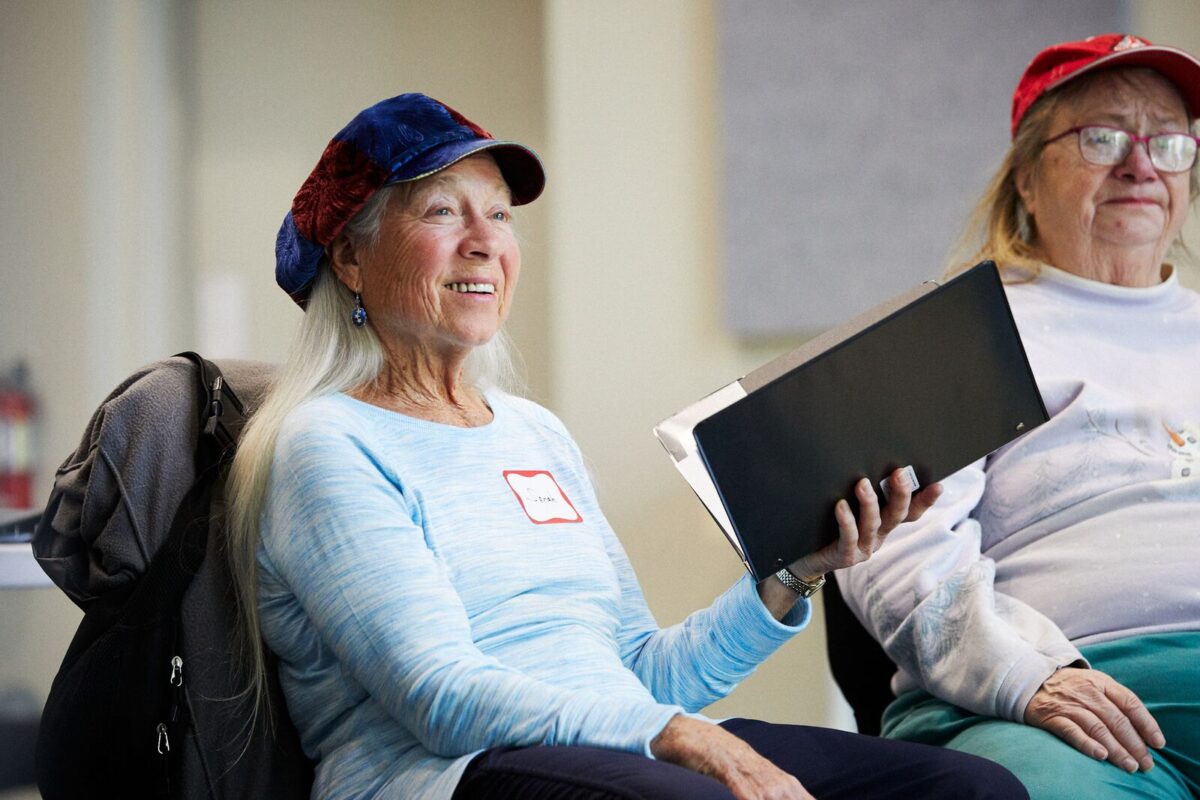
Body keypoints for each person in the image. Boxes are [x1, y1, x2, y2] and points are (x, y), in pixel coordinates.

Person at [224, 93, 1027, 800]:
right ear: (352, 257)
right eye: (440, 212)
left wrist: (794, 570)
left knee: (965, 787)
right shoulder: (325, 445)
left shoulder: (534, 433)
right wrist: (681, 736)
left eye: (499, 215)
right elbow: (440, 695)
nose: (484, 242)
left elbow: (642, 675)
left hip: (613, 754)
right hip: (447, 774)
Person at [838, 33, 1200, 800]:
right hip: (1073, 705)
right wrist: (1028, 678)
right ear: (1028, 179)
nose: (1141, 164)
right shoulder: (962, 335)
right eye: (1103, 138)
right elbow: (902, 554)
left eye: (1169, 143)